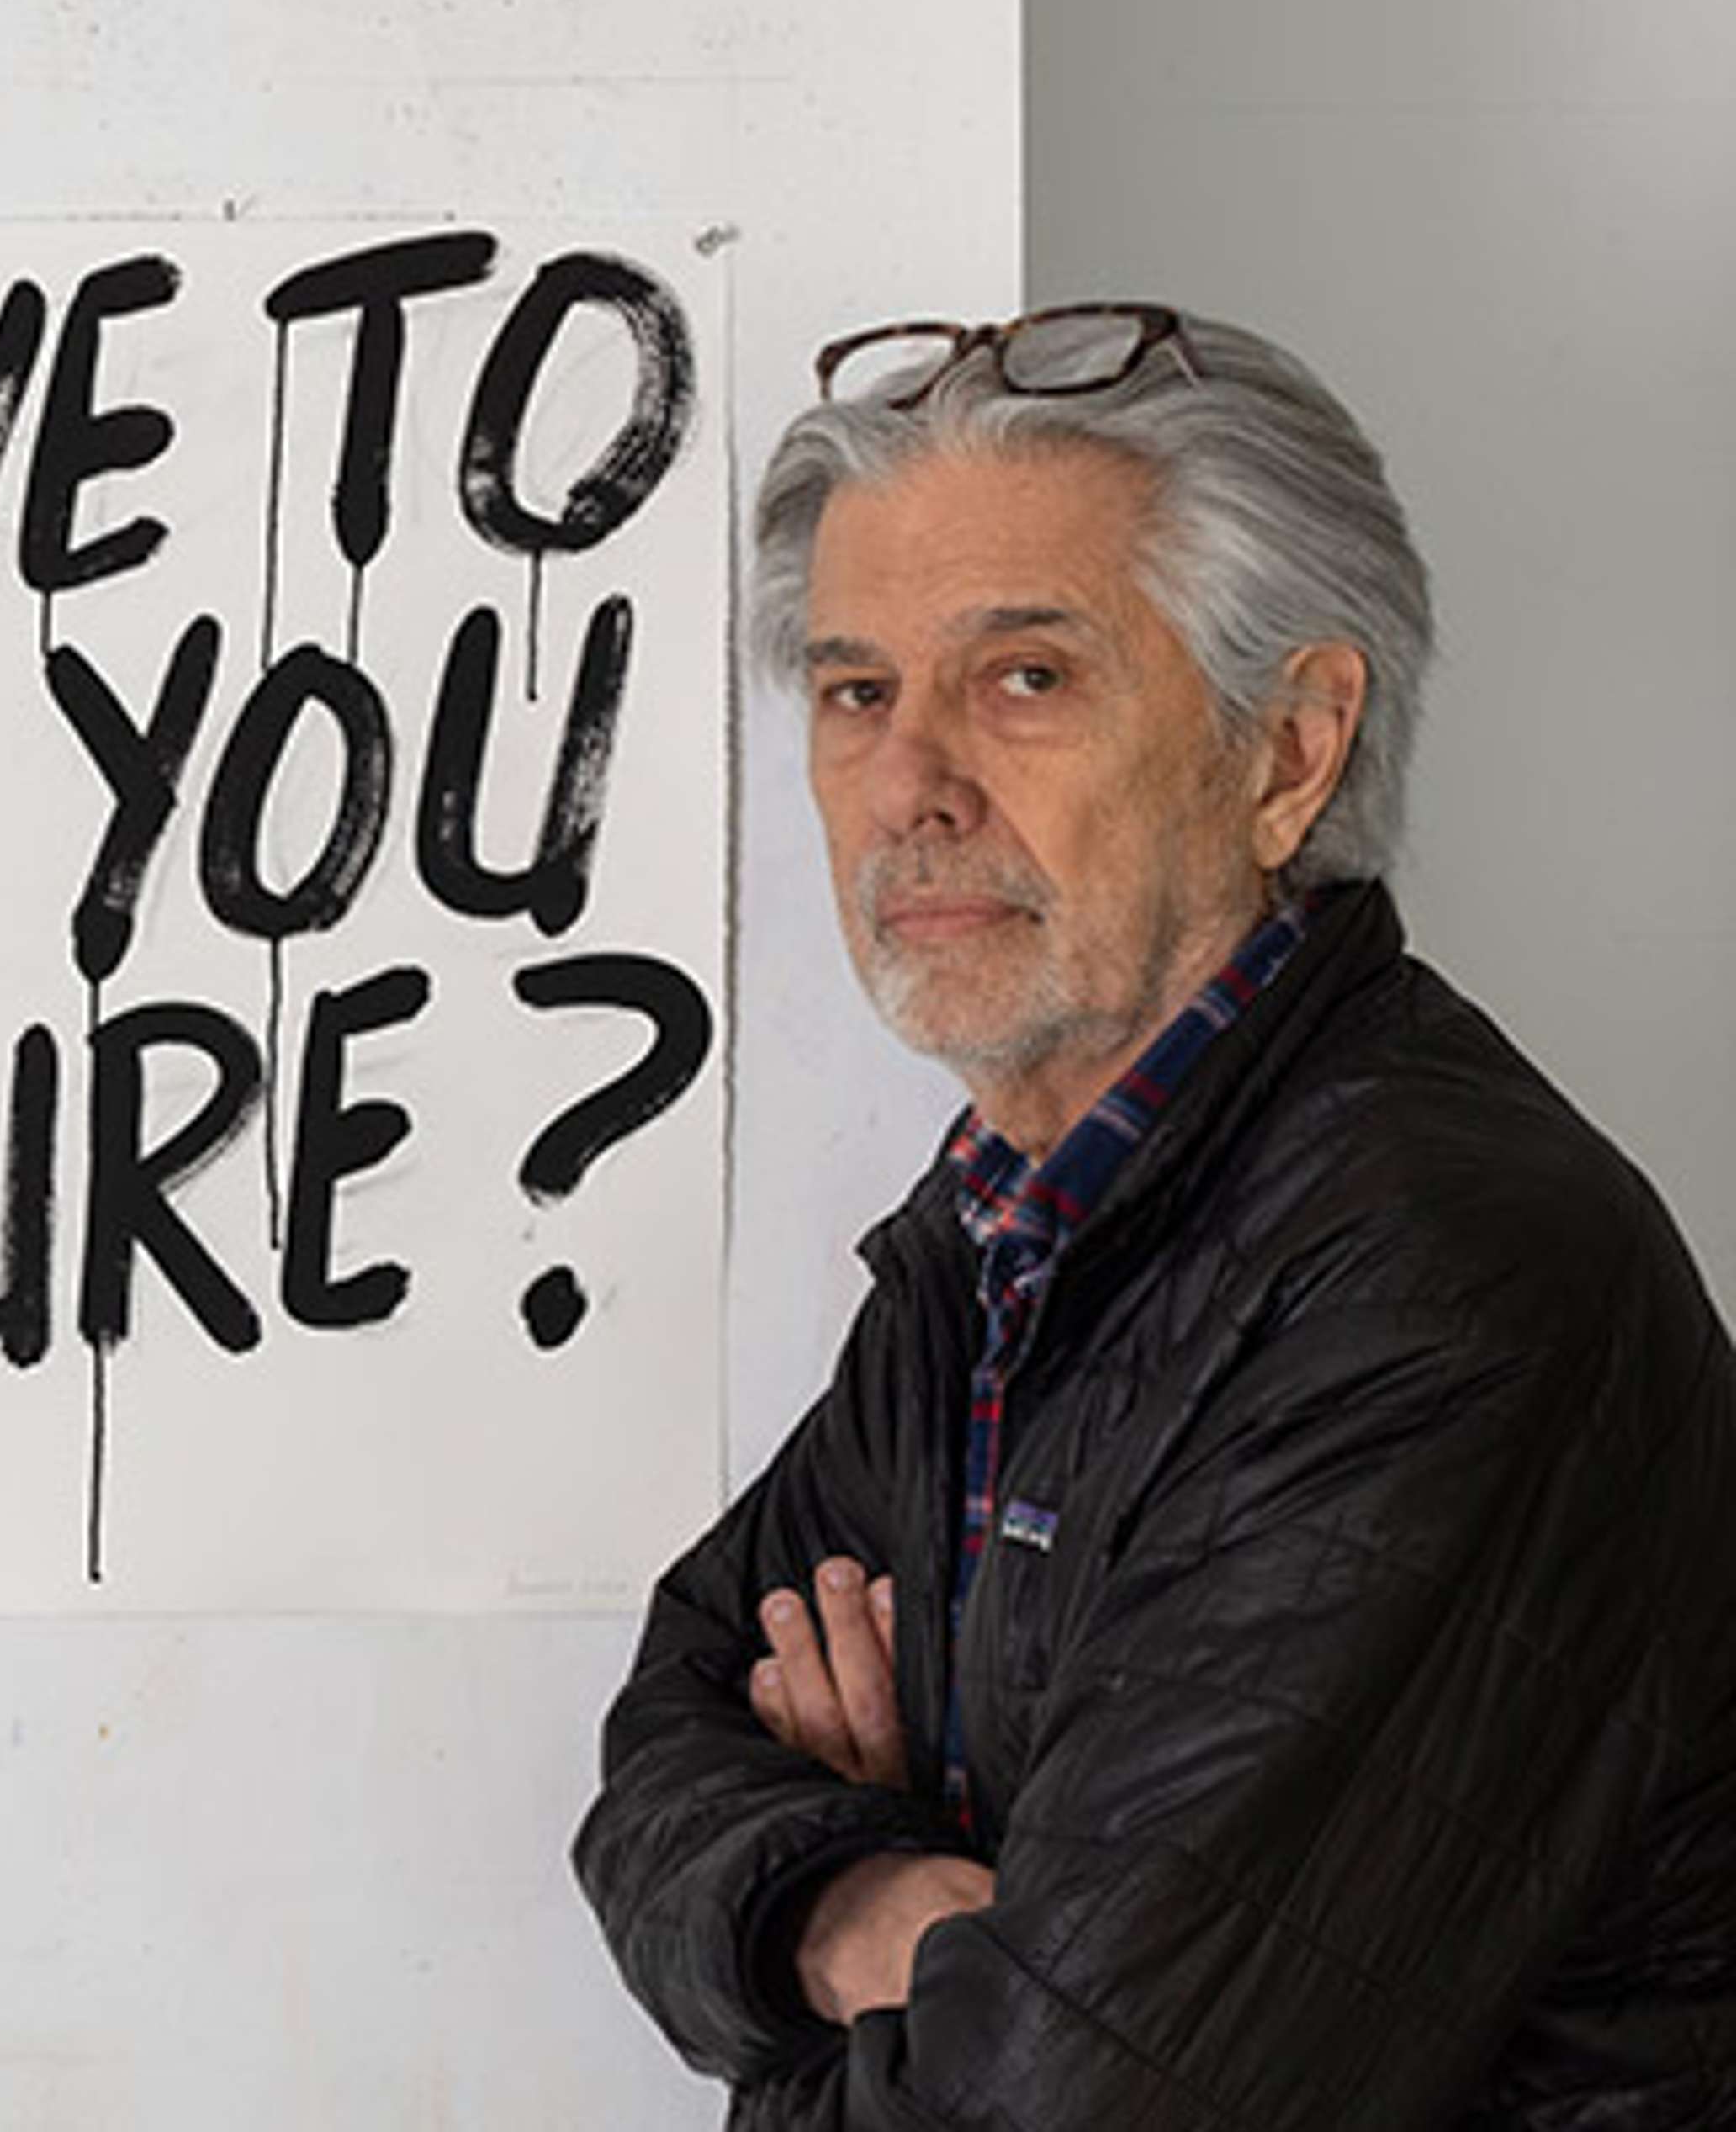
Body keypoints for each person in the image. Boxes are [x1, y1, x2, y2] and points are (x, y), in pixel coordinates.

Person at [573, 304, 1736, 2125]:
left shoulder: (1445, 1275)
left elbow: (1066, 2101)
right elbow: (663, 1739)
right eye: (859, 688)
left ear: (1290, 753)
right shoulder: (1002, 1234)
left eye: (1024, 677)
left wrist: (839, 1969)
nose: (909, 785)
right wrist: (859, 1901)